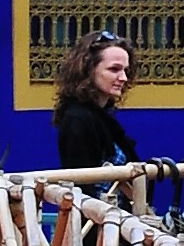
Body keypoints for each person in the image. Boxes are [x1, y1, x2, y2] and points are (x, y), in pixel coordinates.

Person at [52, 29, 136, 172]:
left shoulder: (101, 117)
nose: (124, 78)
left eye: (125, 70)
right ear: (89, 70)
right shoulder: (77, 119)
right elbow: (81, 184)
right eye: (114, 69)